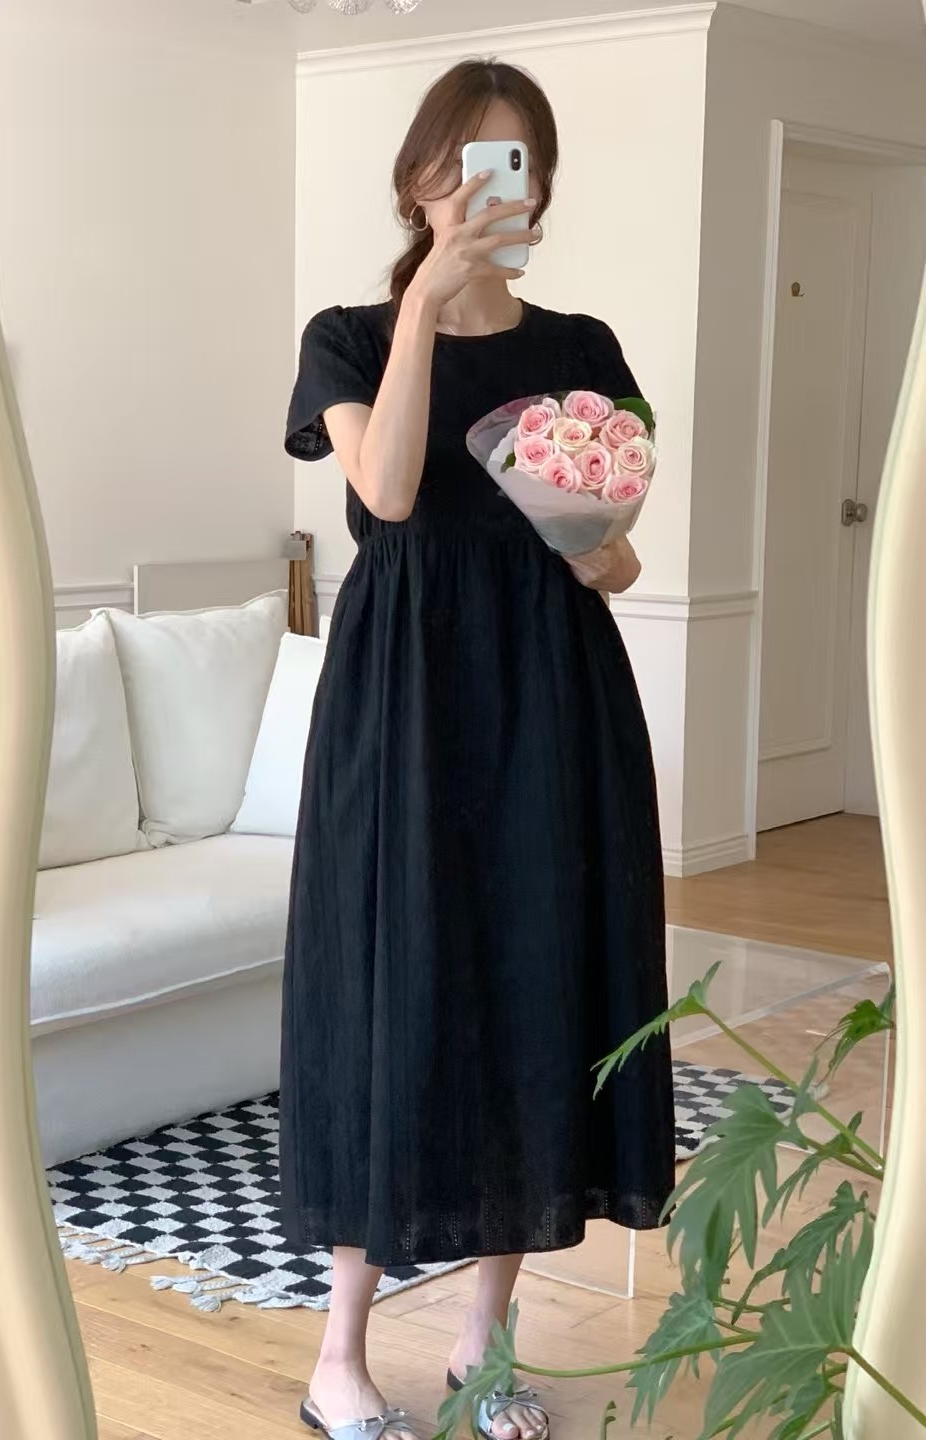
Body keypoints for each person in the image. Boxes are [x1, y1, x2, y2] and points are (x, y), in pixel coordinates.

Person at [280, 58, 675, 1440]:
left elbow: (616, 555)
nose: (485, 190)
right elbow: (387, 493)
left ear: (543, 190)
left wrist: (600, 549)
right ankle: (338, 1355)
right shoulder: (347, 335)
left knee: (528, 987)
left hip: (552, 695)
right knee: (384, 992)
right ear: (417, 181)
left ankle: (482, 1345)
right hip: (402, 702)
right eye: (461, 165)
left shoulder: (585, 348)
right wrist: (424, 314)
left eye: (514, 165)